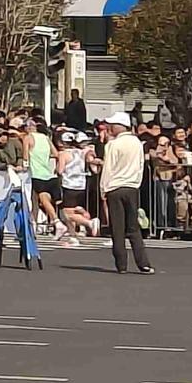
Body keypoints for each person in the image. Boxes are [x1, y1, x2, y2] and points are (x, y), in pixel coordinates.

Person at [101, 111, 154, 275]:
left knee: (117, 228)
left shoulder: (113, 144)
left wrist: (103, 188)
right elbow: (140, 165)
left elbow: (108, 168)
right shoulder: (137, 142)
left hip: (115, 187)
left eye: (112, 125)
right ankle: (143, 263)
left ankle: (121, 264)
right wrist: (136, 183)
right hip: (132, 187)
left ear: (120, 126)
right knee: (133, 227)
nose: (110, 128)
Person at [55, 129, 96, 243]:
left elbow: (60, 170)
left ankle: (89, 223)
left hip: (69, 185)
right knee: (72, 210)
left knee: (67, 213)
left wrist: (57, 168)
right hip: (81, 184)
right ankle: (73, 235)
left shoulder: (64, 154)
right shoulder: (81, 152)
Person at [24, 119, 60, 236]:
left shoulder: (28, 138)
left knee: (38, 200)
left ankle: (54, 221)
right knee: (36, 199)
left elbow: (25, 157)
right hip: (47, 173)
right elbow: (56, 154)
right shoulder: (46, 138)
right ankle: (33, 225)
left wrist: (25, 165)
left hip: (36, 173)